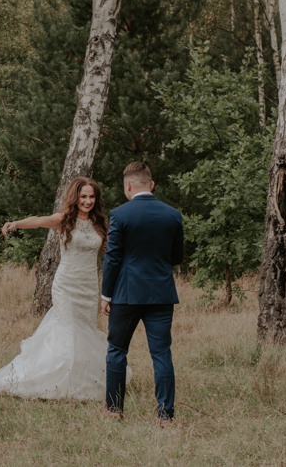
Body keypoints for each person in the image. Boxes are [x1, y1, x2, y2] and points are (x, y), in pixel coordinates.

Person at [0, 177, 130, 400]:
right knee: (68, 331)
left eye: (91, 196)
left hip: (88, 286)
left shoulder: (100, 224)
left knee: (85, 330)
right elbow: (39, 221)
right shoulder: (64, 220)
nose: (87, 201)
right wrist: (16, 223)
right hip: (66, 284)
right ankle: (54, 379)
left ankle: (81, 380)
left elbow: (115, 251)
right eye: (83, 196)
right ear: (75, 197)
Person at [101, 162, 184, 425]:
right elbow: (177, 257)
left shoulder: (120, 214)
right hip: (161, 293)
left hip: (126, 294)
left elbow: (112, 257)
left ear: (128, 185)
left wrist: (106, 295)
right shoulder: (173, 214)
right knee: (161, 353)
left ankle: (114, 410)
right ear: (152, 184)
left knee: (117, 350)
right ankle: (165, 415)